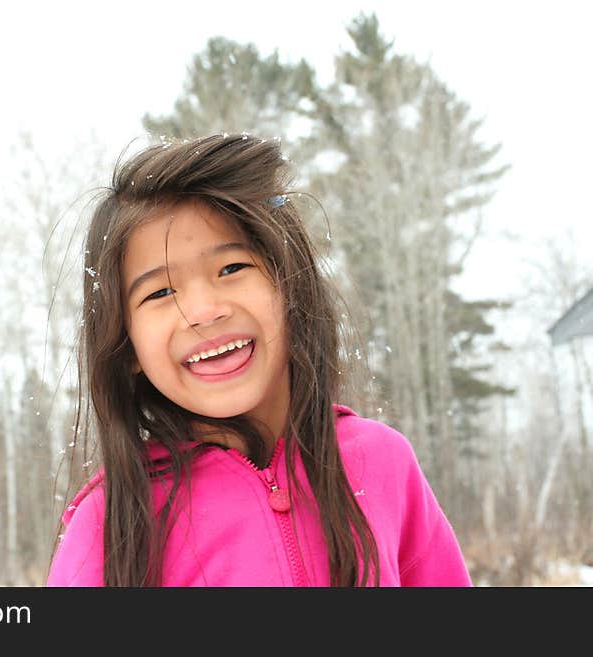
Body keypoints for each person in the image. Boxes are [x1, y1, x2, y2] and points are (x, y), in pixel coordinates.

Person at [46, 134, 472, 587]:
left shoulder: (381, 463)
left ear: (290, 284)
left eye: (231, 269)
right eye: (160, 292)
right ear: (126, 345)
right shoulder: (111, 520)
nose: (204, 311)